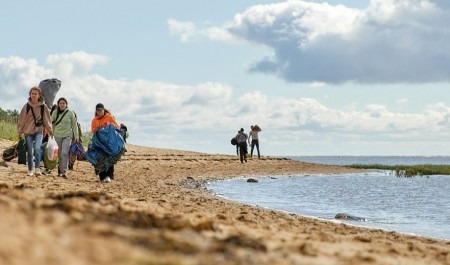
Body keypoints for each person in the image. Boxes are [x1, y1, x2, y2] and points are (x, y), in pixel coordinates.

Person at [17, 86, 54, 176]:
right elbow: (21, 119)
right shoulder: (26, 106)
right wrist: (20, 131)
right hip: (28, 131)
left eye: (35, 94)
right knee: (30, 151)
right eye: (32, 93)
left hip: (39, 131)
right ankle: (30, 170)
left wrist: (50, 131)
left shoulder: (43, 107)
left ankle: (37, 169)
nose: (33, 95)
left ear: (39, 95)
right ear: (30, 94)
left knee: (37, 149)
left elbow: (47, 119)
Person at [91, 103, 120, 183]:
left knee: (109, 158)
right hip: (99, 143)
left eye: (101, 110)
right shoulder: (94, 120)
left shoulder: (109, 117)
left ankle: (109, 176)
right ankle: (102, 176)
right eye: (97, 110)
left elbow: (117, 127)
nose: (99, 112)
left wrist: (109, 124)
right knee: (100, 159)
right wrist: (96, 129)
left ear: (103, 110)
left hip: (109, 142)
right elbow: (93, 131)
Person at [51, 97, 79, 178]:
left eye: (63, 103)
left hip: (67, 135)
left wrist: (76, 136)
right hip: (57, 135)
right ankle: (60, 171)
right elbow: (52, 124)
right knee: (59, 154)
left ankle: (64, 171)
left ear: (66, 104)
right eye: (60, 103)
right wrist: (51, 135)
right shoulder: (55, 113)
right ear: (58, 104)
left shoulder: (70, 113)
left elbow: (74, 125)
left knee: (64, 152)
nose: (62, 104)